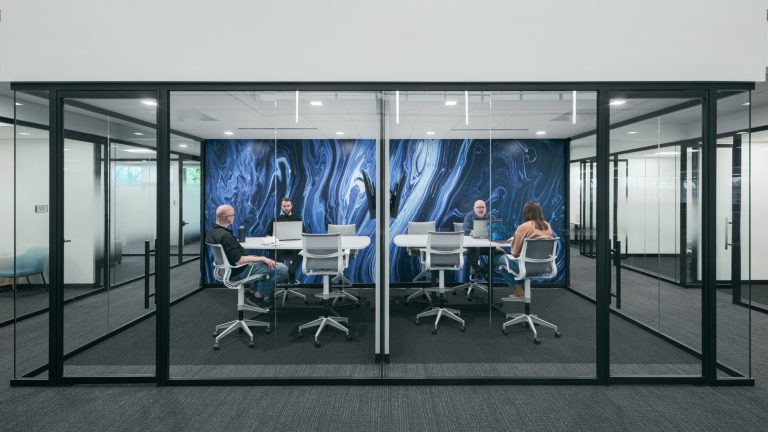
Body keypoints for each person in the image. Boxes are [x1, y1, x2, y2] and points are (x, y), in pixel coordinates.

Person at [206, 204, 288, 307]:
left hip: (226, 270)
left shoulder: (212, 231)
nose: (234, 217)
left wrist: (256, 259)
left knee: (266, 266)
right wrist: (262, 258)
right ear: (228, 218)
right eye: (233, 215)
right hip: (237, 271)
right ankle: (257, 296)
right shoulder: (225, 236)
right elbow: (239, 261)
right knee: (282, 269)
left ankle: (251, 292)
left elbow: (233, 255)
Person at [494, 201, 554, 297]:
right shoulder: (547, 225)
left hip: (526, 267)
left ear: (526, 212)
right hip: (544, 266)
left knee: (497, 259)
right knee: (518, 262)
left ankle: (517, 288)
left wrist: (514, 241)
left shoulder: (523, 227)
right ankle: (522, 289)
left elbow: (514, 253)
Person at [266, 197, 303, 284]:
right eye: (284, 206)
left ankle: (291, 271)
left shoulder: (297, 219)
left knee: (302, 251)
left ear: (291, 206)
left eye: (288, 206)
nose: (286, 208)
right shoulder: (276, 219)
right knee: (272, 250)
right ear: (281, 206)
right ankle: (276, 275)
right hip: (280, 248)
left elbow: (304, 233)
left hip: (294, 248)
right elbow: (266, 233)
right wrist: (271, 239)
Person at [462, 200, 490, 278]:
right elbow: (465, 231)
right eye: (478, 207)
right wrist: (472, 232)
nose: (481, 209)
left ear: (485, 208)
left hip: (487, 246)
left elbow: (497, 230)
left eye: (482, 207)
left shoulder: (491, 217)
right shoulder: (469, 216)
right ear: (474, 208)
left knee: (497, 252)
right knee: (474, 248)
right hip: (472, 247)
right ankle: (478, 270)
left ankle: (484, 270)